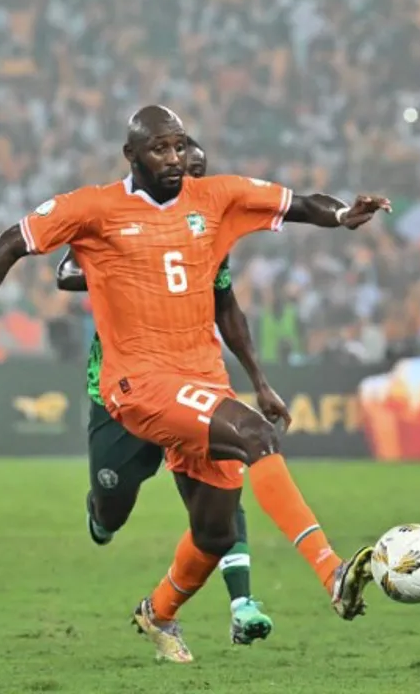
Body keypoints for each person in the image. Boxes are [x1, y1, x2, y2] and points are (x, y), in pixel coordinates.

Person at [0, 105, 390, 663]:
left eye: (178, 146)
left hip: (203, 380)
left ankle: (159, 612)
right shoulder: (94, 208)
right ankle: (332, 573)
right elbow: (8, 244)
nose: (172, 159)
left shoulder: (215, 198)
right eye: (159, 149)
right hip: (139, 383)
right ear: (131, 156)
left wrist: (342, 216)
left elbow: (297, 204)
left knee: (215, 533)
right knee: (255, 438)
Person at [55, 135, 290, 646]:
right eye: (182, 170)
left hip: (194, 379)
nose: (187, 178)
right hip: (127, 387)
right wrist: (129, 267)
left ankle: (240, 601)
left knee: (223, 480)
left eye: (194, 172)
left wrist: (259, 383)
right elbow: (65, 269)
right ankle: (101, 512)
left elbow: (228, 310)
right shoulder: (121, 222)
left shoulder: (207, 235)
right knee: (114, 505)